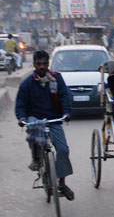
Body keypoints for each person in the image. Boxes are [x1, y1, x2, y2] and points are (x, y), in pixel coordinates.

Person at [15, 50, 75, 201]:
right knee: (34, 129)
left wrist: (67, 112)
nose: (42, 67)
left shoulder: (56, 78)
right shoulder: (27, 83)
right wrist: (21, 118)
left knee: (63, 149)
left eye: (44, 63)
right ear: (34, 65)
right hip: (35, 117)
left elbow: (64, 95)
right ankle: (36, 158)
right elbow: (20, 104)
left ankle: (62, 183)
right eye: (38, 64)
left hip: (53, 118)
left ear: (48, 64)